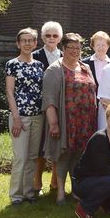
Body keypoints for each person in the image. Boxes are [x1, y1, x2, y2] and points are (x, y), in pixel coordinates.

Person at [42, 33, 97, 205]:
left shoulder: (85, 67)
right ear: (63, 48)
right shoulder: (54, 69)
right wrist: (53, 124)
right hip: (66, 121)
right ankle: (59, 192)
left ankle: (75, 190)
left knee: (79, 156)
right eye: (71, 47)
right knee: (63, 155)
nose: (75, 51)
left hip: (85, 122)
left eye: (78, 48)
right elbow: (49, 100)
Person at [5, 28, 45, 205]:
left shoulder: (39, 65)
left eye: (31, 40)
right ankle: (16, 196)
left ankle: (29, 193)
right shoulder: (12, 64)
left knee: (31, 158)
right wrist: (16, 118)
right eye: (24, 40)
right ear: (18, 43)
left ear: (36, 43)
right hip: (19, 117)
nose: (28, 43)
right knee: (20, 158)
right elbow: (9, 92)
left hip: (37, 117)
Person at [32, 21, 63, 195]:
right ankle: (36, 182)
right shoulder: (35, 56)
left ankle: (54, 182)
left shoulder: (65, 56)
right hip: (39, 108)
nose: (51, 38)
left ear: (59, 38)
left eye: (55, 35)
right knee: (40, 146)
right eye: (48, 35)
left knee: (57, 145)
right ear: (43, 37)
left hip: (59, 108)